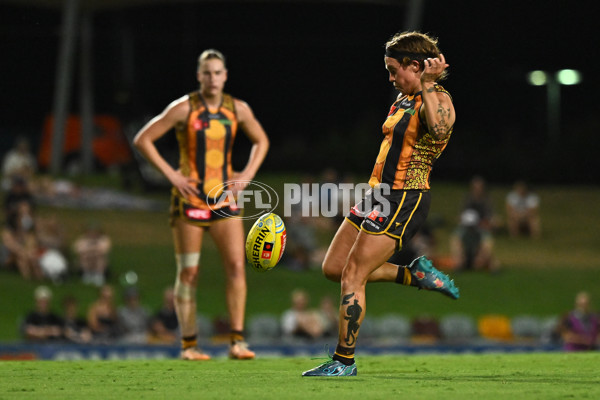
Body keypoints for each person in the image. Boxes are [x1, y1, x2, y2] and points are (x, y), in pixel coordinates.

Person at [303, 31, 459, 377]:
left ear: (415, 66)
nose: (390, 77)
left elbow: (439, 131)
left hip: (404, 198)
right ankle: (413, 274)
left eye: (394, 69)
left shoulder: (439, 99)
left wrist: (430, 85)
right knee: (334, 267)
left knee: (354, 274)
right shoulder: (402, 101)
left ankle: (344, 362)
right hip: (376, 195)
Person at [133, 49, 269, 360]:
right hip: (190, 200)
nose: (212, 78)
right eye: (207, 73)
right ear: (199, 76)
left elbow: (262, 141)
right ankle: (189, 345)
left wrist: (246, 177)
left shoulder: (238, 109)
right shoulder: (184, 108)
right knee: (189, 273)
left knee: (236, 267)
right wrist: (172, 176)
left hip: (225, 200)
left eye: (218, 72)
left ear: (225, 75)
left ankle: (237, 341)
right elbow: (143, 139)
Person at [72, 222, 112, 286]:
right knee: (85, 257)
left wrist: (91, 251)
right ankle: (87, 275)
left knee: (99, 258)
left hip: (99, 260)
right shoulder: (82, 240)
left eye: (95, 231)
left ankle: (98, 276)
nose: (92, 233)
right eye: (90, 231)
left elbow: (104, 250)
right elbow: (78, 250)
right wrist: (93, 251)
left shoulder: (104, 239)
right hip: (86, 260)